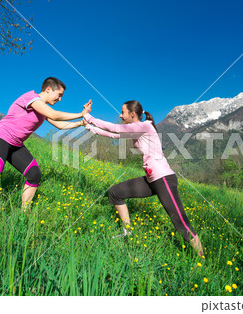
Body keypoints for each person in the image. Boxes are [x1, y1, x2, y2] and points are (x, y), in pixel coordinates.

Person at [82, 100, 204, 257]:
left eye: (123, 112)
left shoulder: (145, 126)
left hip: (164, 178)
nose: (120, 115)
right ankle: (128, 233)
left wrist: (89, 116)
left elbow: (115, 128)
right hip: (152, 179)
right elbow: (114, 134)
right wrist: (89, 127)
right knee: (115, 192)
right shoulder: (136, 129)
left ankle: (201, 257)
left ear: (133, 114)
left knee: (180, 221)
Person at [0, 77, 92, 211]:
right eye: (59, 95)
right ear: (48, 89)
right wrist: (81, 113)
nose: (60, 99)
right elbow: (54, 115)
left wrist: (81, 123)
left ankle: (25, 212)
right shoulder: (31, 98)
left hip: (15, 144)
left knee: (34, 174)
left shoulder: (43, 110)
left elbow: (60, 125)